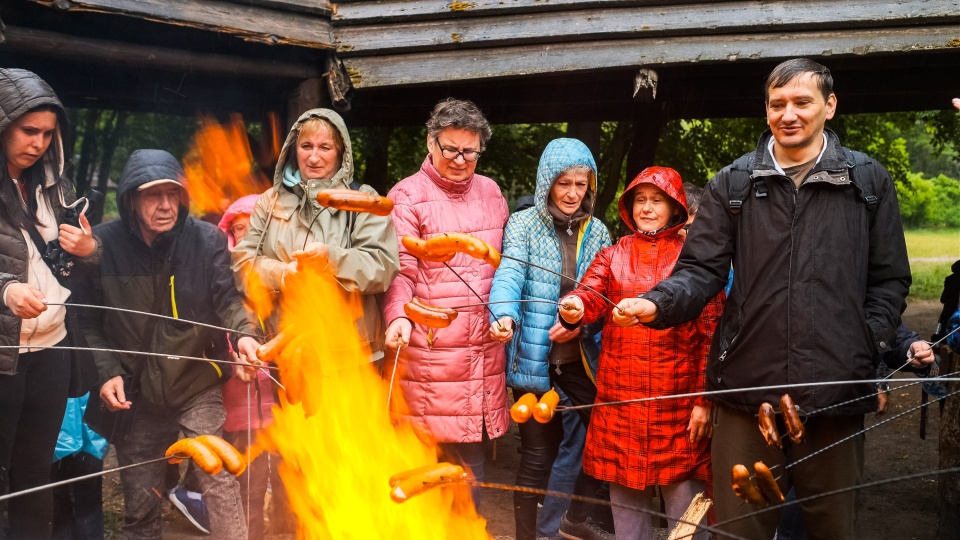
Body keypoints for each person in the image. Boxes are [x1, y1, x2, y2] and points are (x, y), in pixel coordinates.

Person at [614, 59, 923, 538]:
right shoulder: (733, 183)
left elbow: (888, 280)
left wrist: (865, 341)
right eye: (778, 104)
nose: (789, 114)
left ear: (830, 105)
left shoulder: (867, 181)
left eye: (802, 102)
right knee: (741, 527)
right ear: (766, 110)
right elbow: (700, 271)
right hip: (746, 388)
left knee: (832, 527)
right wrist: (658, 302)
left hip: (835, 387)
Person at [79, 149, 260, 539]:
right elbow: (87, 321)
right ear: (130, 199)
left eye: (172, 194)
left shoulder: (207, 239)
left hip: (197, 378)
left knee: (218, 476)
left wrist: (245, 335)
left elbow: (228, 300)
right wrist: (107, 372)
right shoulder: (102, 245)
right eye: (152, 195)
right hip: (137, 392)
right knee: (142, 506)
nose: (165, 205)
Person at [559, 166, 723, 540]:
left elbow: (713, 336)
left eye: (657, 200)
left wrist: (705, 401)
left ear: (675, 207)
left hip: (678, 405)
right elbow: (588, 295)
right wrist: (574, 307)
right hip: (621, 402)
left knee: (685, 509)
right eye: (640, 200)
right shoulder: (612, 254)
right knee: (625, 504)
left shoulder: (694, 260)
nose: (647, 208)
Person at [383, 98, 510, 505]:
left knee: (470, 480)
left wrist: (506, 314)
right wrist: (398, 317)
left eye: (469, 151)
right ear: (430, 142)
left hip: (481, 358)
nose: (459, 160)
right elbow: (400, 270)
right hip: (429, 359)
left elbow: (506, 271)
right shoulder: (407, 196)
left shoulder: (492, 193)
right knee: (423, 482)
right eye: (450, 149)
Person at [487, 138, 612, 540]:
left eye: (581, 184)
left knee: (604, 437)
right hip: (533, 361)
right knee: (537, 457)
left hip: (578, 361)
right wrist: (503, 314)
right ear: (547, 183)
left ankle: (573, 518)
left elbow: (604, 294)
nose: (573, 193)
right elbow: (509, 274)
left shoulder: (598, 232)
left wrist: (582, 325)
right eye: (564, 183)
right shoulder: (523, 225)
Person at [0, 68, 100, 538]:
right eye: (28, 130)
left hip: (52, 348)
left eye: (47, 133)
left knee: (35, 471)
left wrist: (88, 249)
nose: (38, 143)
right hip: (4, 355)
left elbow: (78, 266)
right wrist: (5, 290)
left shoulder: (56, 186)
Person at [233, 108, 399, 370]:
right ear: (293, 149)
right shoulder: (269, 201)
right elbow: (243, 264)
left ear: (341, 152)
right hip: (288, 355)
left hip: (354, 355)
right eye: (306, 146)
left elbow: (383, 266)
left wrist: (330, 259)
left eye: (325, 147)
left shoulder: (364, 199)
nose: (313, 157)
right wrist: (282, 275)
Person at [218, 194, 280, 539]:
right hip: (240, 404)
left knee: (288, 481)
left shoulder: (283, 273)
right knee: (249, 483)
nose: (245, 234)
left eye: (253, 226)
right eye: (238, 228)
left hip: (283, 405)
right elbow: (218, 329)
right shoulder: (223, 277)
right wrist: (233, 359)